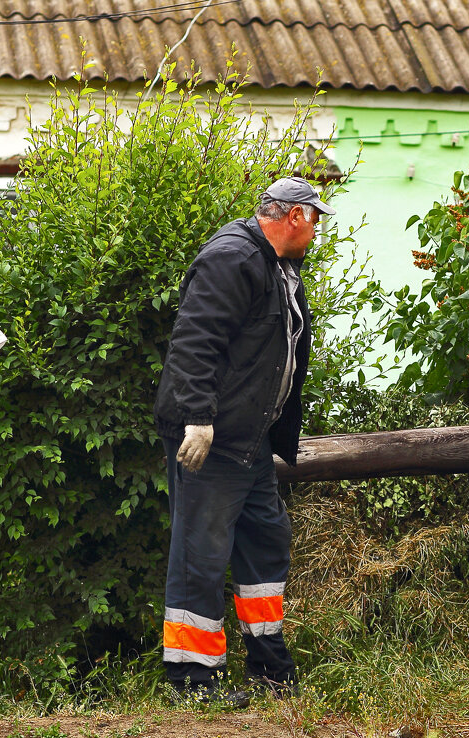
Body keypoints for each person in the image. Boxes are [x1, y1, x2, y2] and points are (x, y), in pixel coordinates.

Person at [153, 176, 334, 706]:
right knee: (200, 556)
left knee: (266, 543)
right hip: (211, 441)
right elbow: (194, 341)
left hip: (251, 442)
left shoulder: (280, 267)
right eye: (316, 220)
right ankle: (190, 681)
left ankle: (269, 667)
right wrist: (198, 419)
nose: (317, 232)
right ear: (296, 217)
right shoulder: (231, 258)